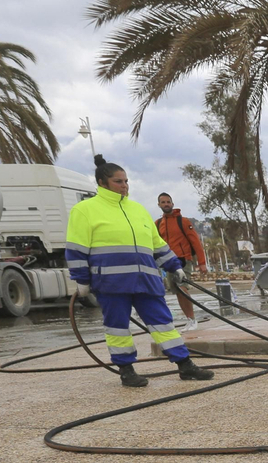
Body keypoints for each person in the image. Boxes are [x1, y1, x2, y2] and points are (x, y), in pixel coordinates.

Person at [66, 155, 212, 387]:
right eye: (118, 181)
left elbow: (157, 244)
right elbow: (76, 249)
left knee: (163, 323)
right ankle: (126, 370)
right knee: (118, 328)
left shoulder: (138, 210)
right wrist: (81, 280)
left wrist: (174, 266)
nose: (124, 186)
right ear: (102, 183)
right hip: (111, 284)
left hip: (146, 281)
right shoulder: (84, 210)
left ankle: (185, 365)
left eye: (126, 181)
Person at [156, 193, 207, 330]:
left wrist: (202, 262)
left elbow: (195, 242)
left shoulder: (183, 221)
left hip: (183, 259)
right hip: (168, 261)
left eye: (168, 202)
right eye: (163, 202)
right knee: (177, 291)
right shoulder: (158, 224)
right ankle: (189, 319)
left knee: (182, 287)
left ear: (172, 204)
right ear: (159, 205)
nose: (166, 204)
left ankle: (193, 320)